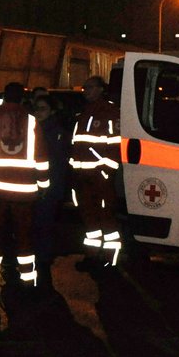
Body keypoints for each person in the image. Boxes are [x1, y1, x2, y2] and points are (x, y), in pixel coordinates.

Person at [0, 81, 50, 300]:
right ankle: (28, 281)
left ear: (4, 97)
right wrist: (42, 186)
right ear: (23, 98)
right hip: (25, 194)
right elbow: (41, 160)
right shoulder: (33, 122)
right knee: (25, 237)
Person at [71, 75, 122, 270]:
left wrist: (105, 171)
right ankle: (92, 256)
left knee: (106, 219)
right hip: (83, 177)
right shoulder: (84, 113)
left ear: (101, 89)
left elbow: (116, 145)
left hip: (100, 178)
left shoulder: (109, 112)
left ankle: (110, 259)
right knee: (89, 218)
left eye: (90, 87)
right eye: (85, 88)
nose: (86, 91)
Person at [30, 92, 73, 290]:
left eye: (43, 108)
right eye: (36, 108)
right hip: (36, 186)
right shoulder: (36, 129)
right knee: (36, 224)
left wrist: (47, 187)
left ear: (52, 111)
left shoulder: (55, 132)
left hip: (48, 187)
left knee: (44, 224)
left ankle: (43, 262)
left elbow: (55, 163)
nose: (38, 112)